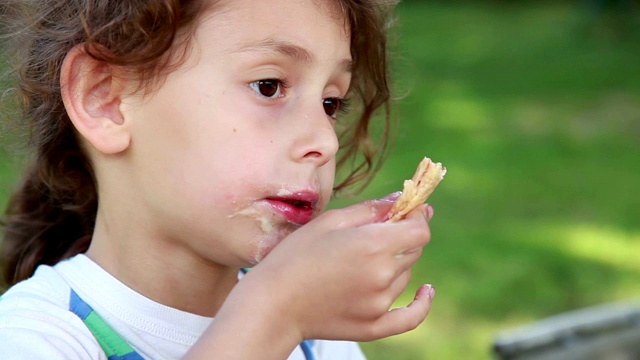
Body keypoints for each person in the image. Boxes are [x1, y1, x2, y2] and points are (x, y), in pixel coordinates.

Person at [0, 0, 437, 359]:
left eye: (330, 102)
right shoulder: (35, 337)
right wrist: (274, 316)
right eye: (269, 85)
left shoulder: (317, 340)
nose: (325, 141)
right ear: (106, 98)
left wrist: (287, 313)